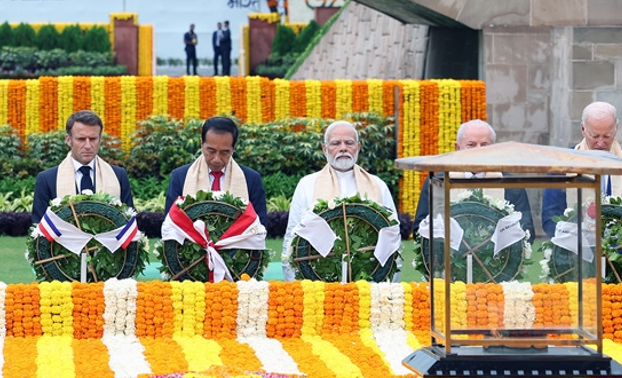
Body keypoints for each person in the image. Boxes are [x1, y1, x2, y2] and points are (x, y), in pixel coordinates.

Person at [282, 120, 398, 280]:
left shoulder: (378, 185)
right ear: (325, 149)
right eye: (336, 143)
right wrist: (293, 283)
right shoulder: (307, 184)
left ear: (358, 147)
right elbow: (292, 235)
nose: (343, 148)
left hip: (369, 277)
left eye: (349, 143)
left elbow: (391, 235)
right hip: (318, 276)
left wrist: (388, 284)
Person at [412, 119, 533, 236]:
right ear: (458, 148)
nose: (478, 150)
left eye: (485, 145)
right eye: (471, 145)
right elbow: (420, 228)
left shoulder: (511, 184)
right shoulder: (438, 182)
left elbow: (526, 231)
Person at [32, 110, 133, 223]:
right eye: (81, 139)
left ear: (100, 139)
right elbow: (38, 229)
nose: (88, 146)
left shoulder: (118, 175)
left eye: (93, 139)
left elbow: (129, 223)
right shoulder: (48, 179)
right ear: (68, 140)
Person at [542, 101, 622, 237]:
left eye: (607, 136)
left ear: (616, 128)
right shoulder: (562, 166)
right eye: (595, 136)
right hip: (577, 250)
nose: (601, 143)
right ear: (583, 129)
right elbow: (550, 218)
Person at [164, 116, 268, 218]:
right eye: (211, 151)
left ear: (234, 147)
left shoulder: (251, 179)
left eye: (225, 152)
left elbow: (260, 227)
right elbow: (169, 225)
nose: (217, 159)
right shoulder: (180, 177)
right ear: (201, 143)